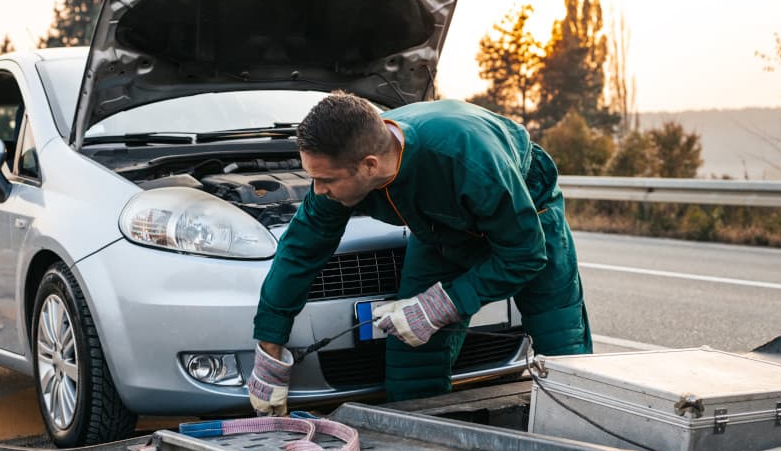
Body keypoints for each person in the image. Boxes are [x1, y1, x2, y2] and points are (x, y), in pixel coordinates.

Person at [248, 92, 592, 416]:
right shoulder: (349, 161)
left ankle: (579, 442)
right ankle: (426, 448)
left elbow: (526, 255)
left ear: (369, 166)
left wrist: (442, 305)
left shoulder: (471, 161)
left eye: (326, 181)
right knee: (412, 357)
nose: (318, 190)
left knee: (560, 344)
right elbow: (300, 250)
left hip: (528, 217)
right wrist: (269, 347)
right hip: (440, 229)